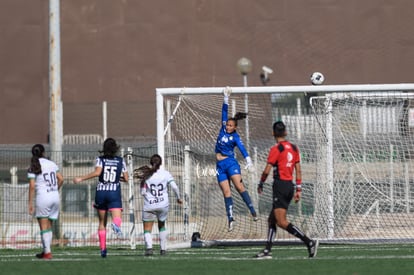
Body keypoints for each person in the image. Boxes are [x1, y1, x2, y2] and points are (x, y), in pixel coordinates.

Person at [255, 121, 318, 259]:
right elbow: (298, 169)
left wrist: (261, 182)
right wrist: (299, 189)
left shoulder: (276, 149)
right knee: (272, 219)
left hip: (280, 186)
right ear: (285, 132)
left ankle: (308, 242)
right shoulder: (294, 148)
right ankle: (267, 251)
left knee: (281, 221)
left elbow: (267, 169)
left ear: (273, 133)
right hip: (290, 185)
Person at [73, 138, 128, 258]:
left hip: (101, 192)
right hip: (114, 192)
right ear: (115, 148)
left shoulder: (100, 159)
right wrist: (115, 178)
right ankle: (116, 225)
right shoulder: (120, 160)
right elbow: (127, 179)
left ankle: (103, 249)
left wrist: (81, 178)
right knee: (117, 218)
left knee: (102, 222)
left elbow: (98, 173)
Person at [215, 87, 258, 232]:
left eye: (230, 125)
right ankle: (231, 219)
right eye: (227, 124)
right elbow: (224, 113)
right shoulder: (222, 129)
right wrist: (226, 98)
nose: (227, 126)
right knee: (226, 192)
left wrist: (249, 162)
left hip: (231, 163)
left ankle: (252, 210)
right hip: (220, 166)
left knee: (240, 188)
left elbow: (242, 149)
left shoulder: (236, 137)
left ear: (235, 128)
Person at [134, 154, 182, 256]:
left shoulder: (146, 175)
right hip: (163, 204)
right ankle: (163, 249)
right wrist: (178, 198)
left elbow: (142, 193)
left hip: (149, 205)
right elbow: (175, 187)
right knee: (162, 225)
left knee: (147, 229)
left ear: (151, 163)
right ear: (161, 163)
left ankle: (149, 248)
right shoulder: (166, 174)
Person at [28, 144, 64, 260]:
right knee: (49, 226)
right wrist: (54, 189)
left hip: (43, 198)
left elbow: (32, 186)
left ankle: (47, 253)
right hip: (54, 197)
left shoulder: (33, 166)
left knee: (44, 227)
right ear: (43, 152)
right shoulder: (51, 163)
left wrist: (30, 203)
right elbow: (61, 179)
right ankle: (45, 251)